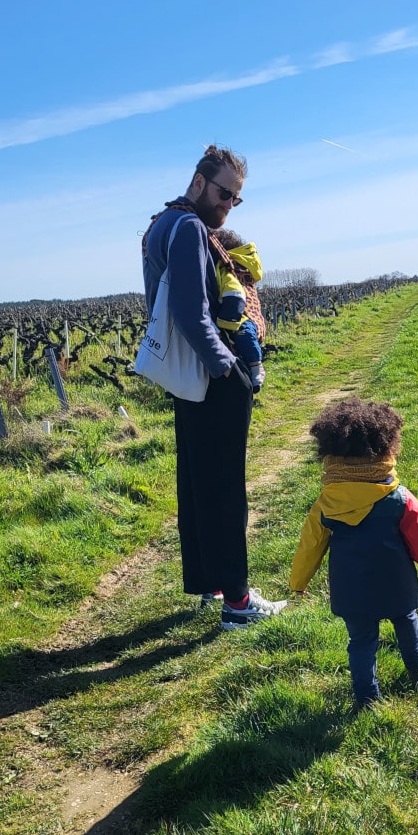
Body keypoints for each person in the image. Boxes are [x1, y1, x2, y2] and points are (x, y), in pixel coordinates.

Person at [141, 145, 287, 630]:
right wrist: (227, 368)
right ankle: (238, 603)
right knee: (225, 488)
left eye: (237, 200)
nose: (228, 205)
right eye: (225, 193)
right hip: (211, 374)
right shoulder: (187, 228)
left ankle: (214, 583)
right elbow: (190, 313)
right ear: (199, 182)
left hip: (187, 378)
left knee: (198, 484)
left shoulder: (161, 223)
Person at [289, 397, 418, 704]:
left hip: (351, 588)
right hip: (395, 581)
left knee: (361, 640)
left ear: (331, 456)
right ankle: (417, 666)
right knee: (405, 618)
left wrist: (298, 582)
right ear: (387, 451)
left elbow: (310, 544)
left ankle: (366, 696)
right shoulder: (401, 499)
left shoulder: (327, 502)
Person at [213, 228, 266, 392]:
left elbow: (234, 295)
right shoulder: (245, 268)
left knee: (244, 336)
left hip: (240, 318)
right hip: (253, 316)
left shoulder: (228, 270)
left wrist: (224, 322)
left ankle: (257, 368)